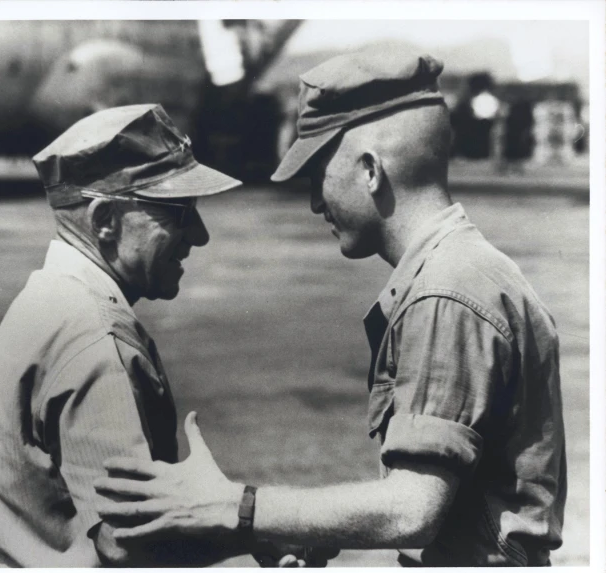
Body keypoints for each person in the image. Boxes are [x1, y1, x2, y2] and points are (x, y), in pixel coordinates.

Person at [92, 52, 567, 567]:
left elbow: (412, 511)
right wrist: (302, 524)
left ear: (370, 171)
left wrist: (237, 507)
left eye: (318, 174)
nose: (316, 202)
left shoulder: (443, 291)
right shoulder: (467, 268)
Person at [0, 104, 316, 567]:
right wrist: (259, 531)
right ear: (105, 219)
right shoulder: (96, 339)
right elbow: (128, 540)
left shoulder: (36, 306)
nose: (200, 235)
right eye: (178, 211)